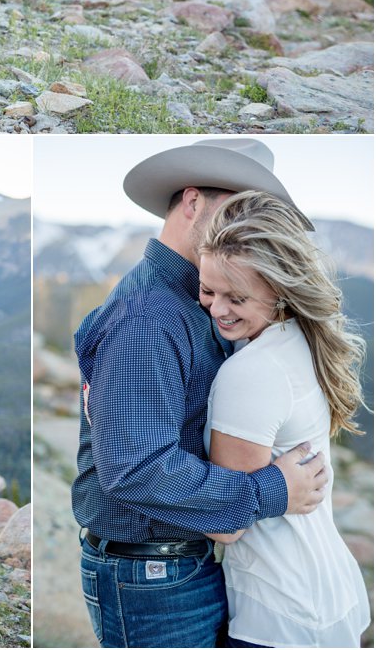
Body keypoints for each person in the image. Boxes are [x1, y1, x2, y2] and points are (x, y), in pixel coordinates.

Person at [72, 138, 329, 649]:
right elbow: (136, 468)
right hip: (151, 577)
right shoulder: (150, 318)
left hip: (175, 565)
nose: (244, 226)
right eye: (234, 208)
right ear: (192, 203)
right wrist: (274, 490)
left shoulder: (195, 302)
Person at [198, 190, 369, 649]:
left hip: (277, 612)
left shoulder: (250, 372)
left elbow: (224, 520)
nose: (216, 309)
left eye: (237, 297)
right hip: (328, 596)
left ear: (279, 293)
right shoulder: (297, 339)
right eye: (208, 290)